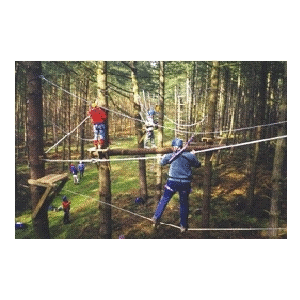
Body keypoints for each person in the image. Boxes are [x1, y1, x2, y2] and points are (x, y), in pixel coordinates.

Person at [152, 138, 201, 232]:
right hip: (185, 183)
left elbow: (161, 163)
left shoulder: (170, 155)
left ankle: (156, 217)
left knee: (164, 199)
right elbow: (198, 165)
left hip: (172, 182)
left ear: (173, 147)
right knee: (184, 204)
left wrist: (163, 157)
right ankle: (183, 225)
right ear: (181, 146)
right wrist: (193, 155)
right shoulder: (189, 156)